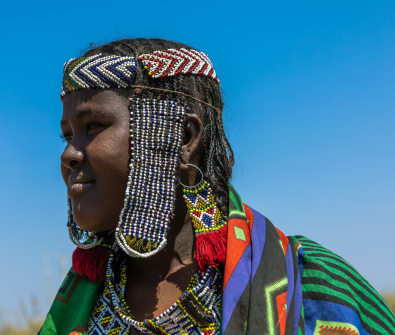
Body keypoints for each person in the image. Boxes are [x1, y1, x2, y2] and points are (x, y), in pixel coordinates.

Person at [38, 38, 395, 335]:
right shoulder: (80, 298)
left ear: (182, 137)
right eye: (67, 135)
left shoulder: (308, 284)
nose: (69, 153)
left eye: (94, 127)